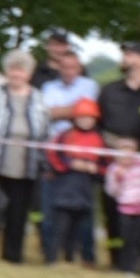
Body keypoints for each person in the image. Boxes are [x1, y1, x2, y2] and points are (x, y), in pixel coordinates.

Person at [0, 49, 50, 265]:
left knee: (19, 211)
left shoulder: (38, 97)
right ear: (7, 71)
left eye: (21, 71)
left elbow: (45, 130)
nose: (16, 75)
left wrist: (44, 159)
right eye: (13, 70)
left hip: (27, 165)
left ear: (29, 73)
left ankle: (13, 254)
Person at [97, 44, 140, 268]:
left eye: (132, 55)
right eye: (125, 55)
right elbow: (99, 124)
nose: (127, 59)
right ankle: (118, 260)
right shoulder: (109, 90)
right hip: (114, 164)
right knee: (113, 215)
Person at [37, 52, 99, 263]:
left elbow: (85, 116)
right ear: (59, 68)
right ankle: (50, 255)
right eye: (65, 67)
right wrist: (74, 110)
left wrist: (61, 111)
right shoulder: (48, 88)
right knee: (52, 210)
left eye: (73, 67)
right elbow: (45, 114)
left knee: (84, 215)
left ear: (79, 68)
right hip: (57, 156)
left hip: (84, 162)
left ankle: (83, 256)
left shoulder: (90, 86)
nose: (69, 72)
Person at [45, 98, 104, 267]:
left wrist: (96, 170)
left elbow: (105, 163)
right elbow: (53, 154)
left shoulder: (98, 139)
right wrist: (69, 164)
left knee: (82, 228)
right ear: (74, 118)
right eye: (82, 117)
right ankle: (52, 258)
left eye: (89, 117)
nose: (86, 121)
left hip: (86, 190)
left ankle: (76, 258)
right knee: (59, 226)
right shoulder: (64, 136)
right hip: (65, 187)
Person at [104, 140, 140, 276]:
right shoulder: (114, 169)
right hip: (126, 209)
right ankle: (128, 268)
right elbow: (111, 191)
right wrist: (117, 179)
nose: (126, 157)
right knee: (128, 240)